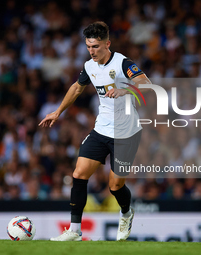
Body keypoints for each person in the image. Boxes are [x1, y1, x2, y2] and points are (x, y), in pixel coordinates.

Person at [39, 21, 152, 241]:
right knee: (79, 174)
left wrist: (125, 90)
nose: (92, 51)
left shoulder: (123, 63)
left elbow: (146, 84)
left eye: (96, 47)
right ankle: (74, 230)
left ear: (107, 44)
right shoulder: (89, 66)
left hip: (126, 133)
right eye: (89, 47)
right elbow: (77, 88)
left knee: (115, 186)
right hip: (102, 128)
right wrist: (58, 112)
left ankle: (126, 213)